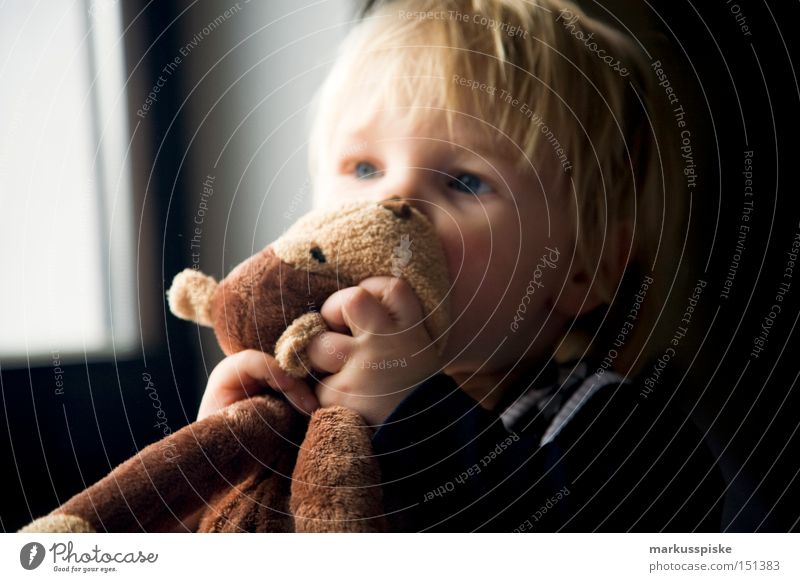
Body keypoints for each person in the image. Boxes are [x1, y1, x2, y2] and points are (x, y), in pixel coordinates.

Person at [195, 0, 725, 531]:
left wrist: (416, 415)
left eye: (465, 181)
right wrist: (230, 468)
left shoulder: (629, 439)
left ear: (585, 268)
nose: (391, 201)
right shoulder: (304, 407)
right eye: (363, 167)